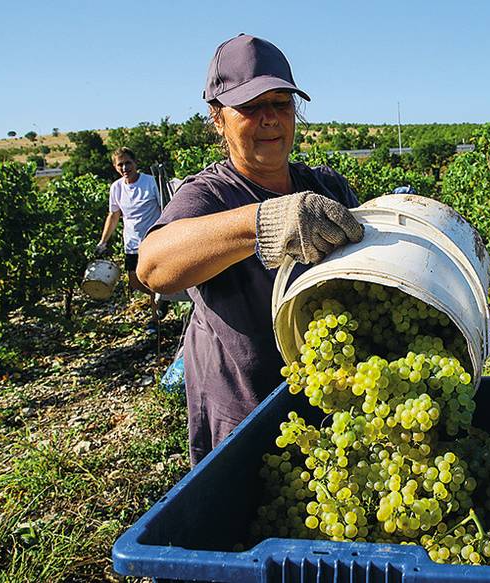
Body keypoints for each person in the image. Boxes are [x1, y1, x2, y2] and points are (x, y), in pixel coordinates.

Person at [137, 34, 364, 466]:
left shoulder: (326, 186)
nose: (271, 119)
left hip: (330, 402)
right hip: (245, 413)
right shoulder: (209, 194)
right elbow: (153, 266)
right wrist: (261, 223)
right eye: (251, 106)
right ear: (218, 119)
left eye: (281, 103)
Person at [95, 147, 165, 332]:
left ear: (135, 163)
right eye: (120, 164)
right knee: (135, 281)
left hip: (153, 241)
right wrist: (103, 241)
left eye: (128, 163)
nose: (125, 167)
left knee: (152, 279)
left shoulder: (151, 183)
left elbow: (164, 208)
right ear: (115, 167)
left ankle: (154, 319)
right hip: (131, 243)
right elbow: (113, 215)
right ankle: (161, 298)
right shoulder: (116, 188)